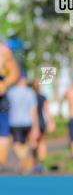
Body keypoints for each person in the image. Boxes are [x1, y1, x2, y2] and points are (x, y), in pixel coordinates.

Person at [6, 76, 38, 174]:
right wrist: (35, 125)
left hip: (14, 121)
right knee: (24, 143)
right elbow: (33, 110)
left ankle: (23, 159)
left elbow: (5, 107)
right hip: (27, 121)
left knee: (16, 144)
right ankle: (25, 160)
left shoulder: (10, 92)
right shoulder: (30, 92)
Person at [0, 41, 21, 170]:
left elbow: (14, 72)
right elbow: (15, 72)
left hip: (1, 97)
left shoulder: (3, 50)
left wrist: (5, 84)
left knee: (3, 132)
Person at [32, 79, 53, 173]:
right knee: (42, 142)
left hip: (32, 122)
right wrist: (50, 121)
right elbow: (47, 111)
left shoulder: (30, 97)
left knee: (34, 142)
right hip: (41, 121)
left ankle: (36, 163)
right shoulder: (42, 96)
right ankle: (41, 163)